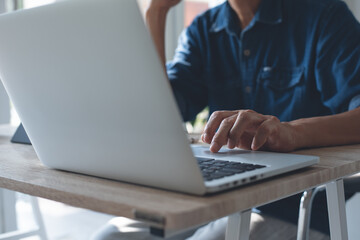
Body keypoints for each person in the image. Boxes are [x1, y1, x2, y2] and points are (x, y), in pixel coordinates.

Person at [91, 0, 360, 239]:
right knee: (112, 236)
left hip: (293, 204)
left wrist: (291, 132)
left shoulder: (324, 16)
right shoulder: (203, 30)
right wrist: (157, 12)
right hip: (216, 195)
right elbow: (159, 118)